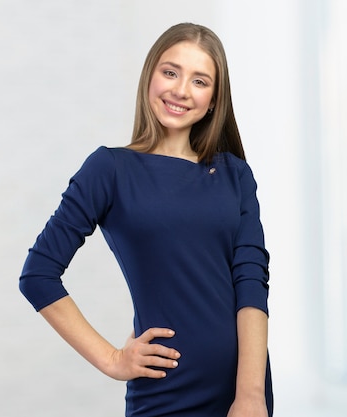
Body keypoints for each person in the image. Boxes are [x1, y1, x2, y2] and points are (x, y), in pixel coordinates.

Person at [19, 22, 273, 417]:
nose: (181, 90)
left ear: (213, 99)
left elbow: (252, 282)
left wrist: (252, 394)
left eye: (200, 80)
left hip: (243, 395)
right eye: (170, 72)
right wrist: (112, 359)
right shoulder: (110, 169)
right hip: (164, 394)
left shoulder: (235, 175)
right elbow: (38, 274)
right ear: (150, 75)